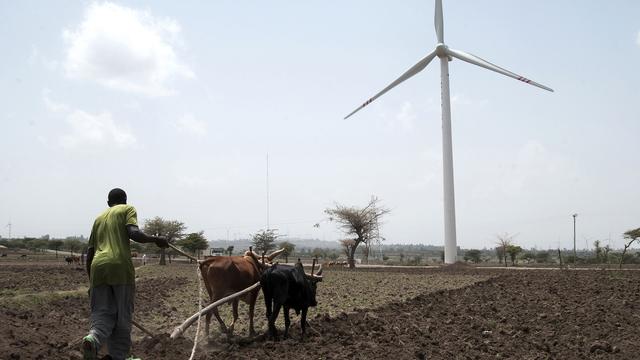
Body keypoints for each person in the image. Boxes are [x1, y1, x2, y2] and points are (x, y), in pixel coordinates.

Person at [82, 188, 168, 360]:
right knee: (123, 315)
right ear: (125, 200)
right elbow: (134, 233)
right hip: (120, 267)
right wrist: (156, 239)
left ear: (108, 203)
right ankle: (119, 356)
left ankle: (94, 339)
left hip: (98, 269)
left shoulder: (98, 219)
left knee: (102, 312)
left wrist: (92, 282)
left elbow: (89, 254)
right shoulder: (127, 209)